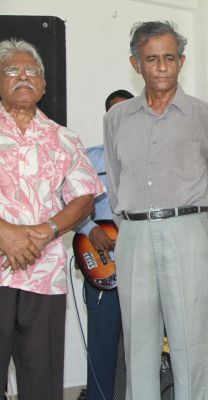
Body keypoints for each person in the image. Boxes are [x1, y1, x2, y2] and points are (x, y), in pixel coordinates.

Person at [104, 21, 208, 400]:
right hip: (133, 235)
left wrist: (203, 225)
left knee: (189, 342)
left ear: (182, 61)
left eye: (169, 58)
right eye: (151, 59)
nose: (161, 67)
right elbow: (114, 176)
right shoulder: (117, 118)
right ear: (136, 64)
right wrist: (130, 225)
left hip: (187, 231)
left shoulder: (206, 115)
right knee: (138, 342)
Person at [0, 38, 103, 399]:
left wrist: (47, 231)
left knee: (42, 385)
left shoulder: (64, 138)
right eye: (12, 70)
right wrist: (5, 233)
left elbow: (85, 198)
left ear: (44, 84)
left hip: (44, 277)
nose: (23, 76)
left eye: (32, 70)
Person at [77, 89, 134, 400]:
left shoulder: (153, 160)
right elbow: (66, 202)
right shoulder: (88, 159)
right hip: (103, 260)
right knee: (103, 344)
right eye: (115, 113)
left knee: (150, 344)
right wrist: (89, 229)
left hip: (143, 260)